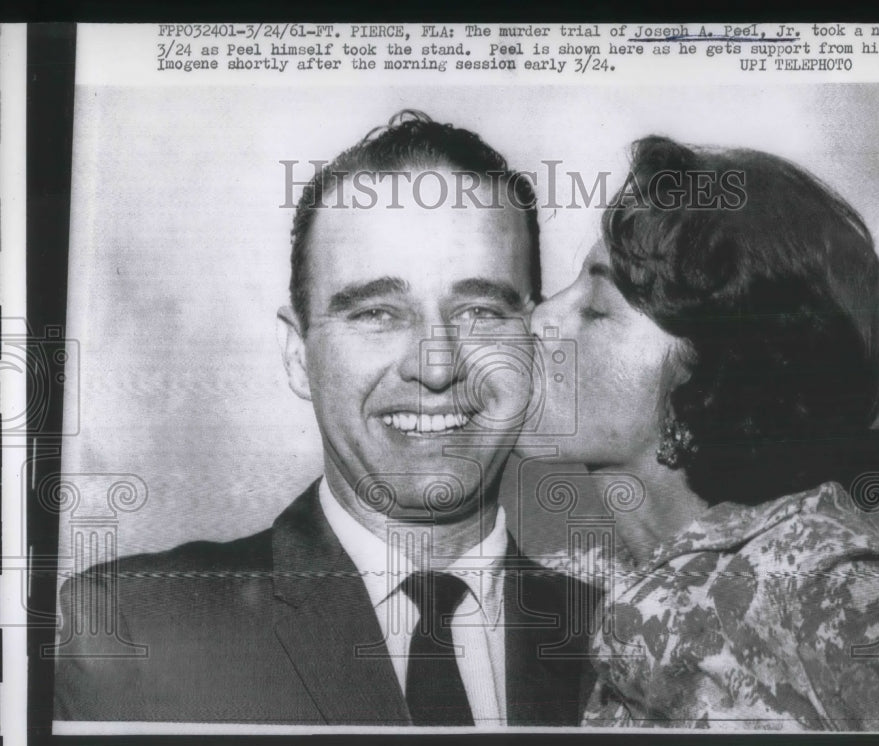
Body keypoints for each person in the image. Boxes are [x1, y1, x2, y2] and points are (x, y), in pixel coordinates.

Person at [53, 111, 596, 726]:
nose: (437, 366)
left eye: (479, 311)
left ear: (535, 340)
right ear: (297, 354)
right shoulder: (134, 632)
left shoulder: (630, 643)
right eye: (376, 314)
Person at [524, 136, 879, 730]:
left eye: (596, 309)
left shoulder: (838, 590)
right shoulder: (634, 606)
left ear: (707, 379)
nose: (539, 316)